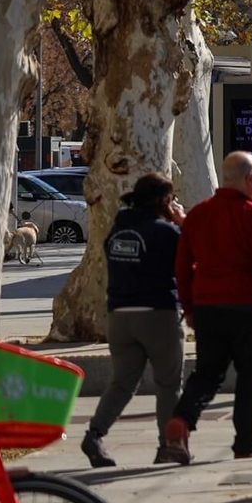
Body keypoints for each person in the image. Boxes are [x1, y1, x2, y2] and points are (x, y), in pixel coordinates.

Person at [163, 151, 252, 463]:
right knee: (250, 379)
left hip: (207, 307)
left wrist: (189, 308)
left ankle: (182, 419)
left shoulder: (198, 214)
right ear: (249, 178)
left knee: (207, 374)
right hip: (248, 308)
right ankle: (246, 446)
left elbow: (182, 266)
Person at [82, 173, 188, 467]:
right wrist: (181, 223)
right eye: (171, 199)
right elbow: (191, 259)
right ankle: (168, 446)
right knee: (168, 383)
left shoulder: (118, 229)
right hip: (158, 314)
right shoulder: (165, 232)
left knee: (122, 383)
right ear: (163, 201)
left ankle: (95, 434)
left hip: (119, 316)